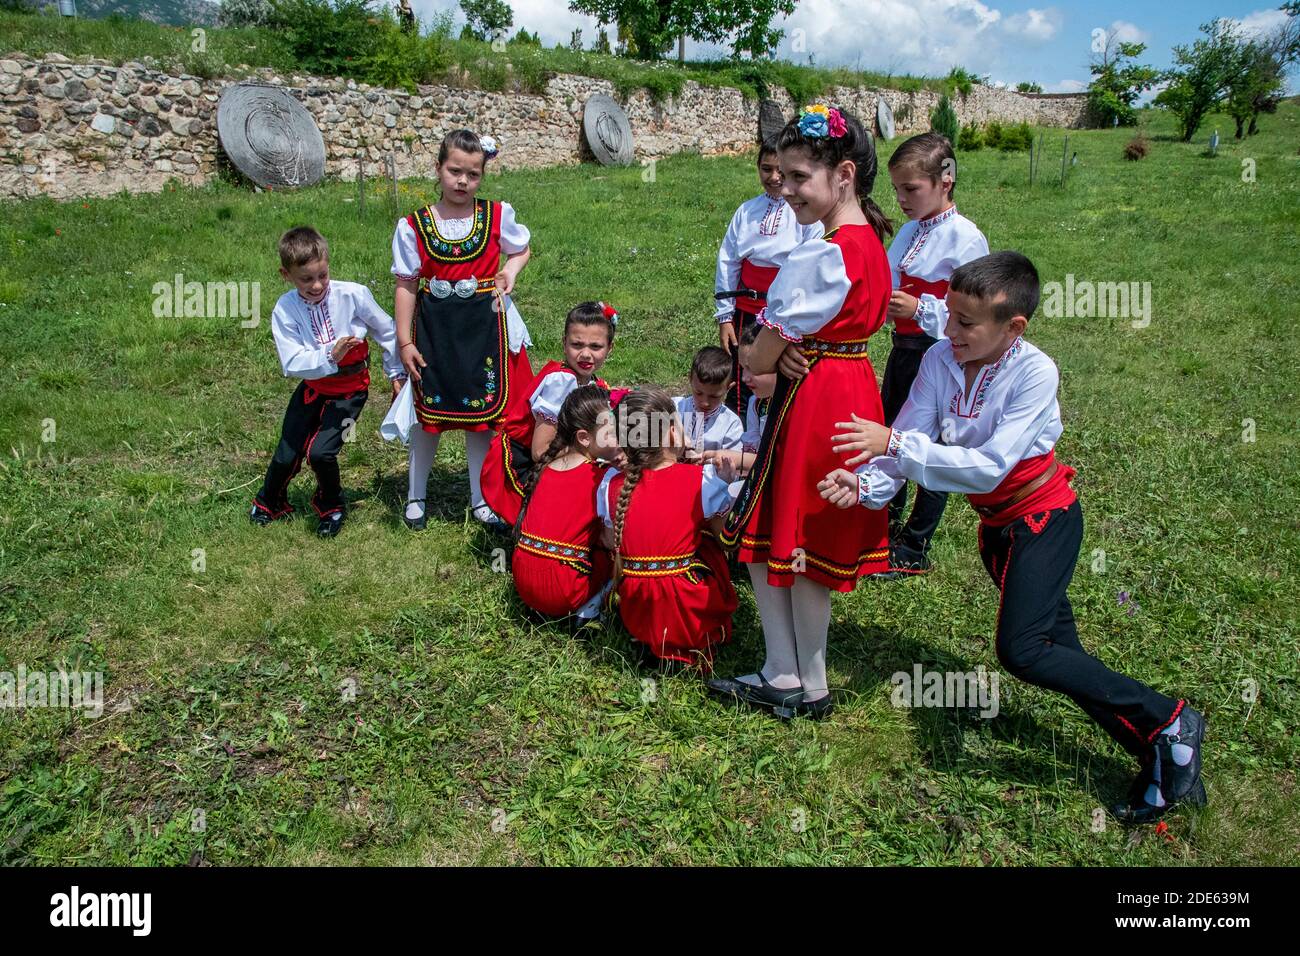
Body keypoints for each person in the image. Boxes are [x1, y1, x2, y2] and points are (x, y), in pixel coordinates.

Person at [819, 251, 1206, 823]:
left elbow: (990, 466)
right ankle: (1163, 751)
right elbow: (906, 435)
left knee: (1023, 651)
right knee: (1063, 655)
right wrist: (865, 484)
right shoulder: (940, 362)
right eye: (949, 315)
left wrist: (895, 448)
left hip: (1044, 521)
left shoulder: (1035, 371)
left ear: (1013, 326)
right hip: (1001, 529)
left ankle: (1172, 720)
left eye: (966, 323)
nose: (949, 330)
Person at [708, 104, 894, 720]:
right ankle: (802, 676)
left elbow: (760, 348)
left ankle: (785, 672)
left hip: (812, 396)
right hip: (848, 381)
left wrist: (774, 353)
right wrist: (794, 347)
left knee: (776, 531)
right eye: (781, 176)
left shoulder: (822, 253)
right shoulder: (865, 238)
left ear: (843, 174)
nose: (784, 190)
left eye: (796, 177)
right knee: (807, 534)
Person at [389, 129, 534, 531]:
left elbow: (521, 249)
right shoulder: (414, 225)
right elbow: (405, 284)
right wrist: (403, 342)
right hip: (434, 332)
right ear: (438, 169)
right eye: (454, 171)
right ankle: (416, 495)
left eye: (472, 175)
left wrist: (510, 270)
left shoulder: (496, 215)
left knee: (481, 416)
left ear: (481, 176)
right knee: (426, 413)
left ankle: (480, 499)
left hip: (483, 330)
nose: (462, 182)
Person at [251, 226, 405, 537]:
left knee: (321, 452)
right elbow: (292, 361)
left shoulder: (353, 294)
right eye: (306, 279)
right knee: (286, 451)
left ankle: (331, 505)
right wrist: (329, 355)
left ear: (328, 263)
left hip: (350, 391)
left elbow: (387, 331)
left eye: (322, 274)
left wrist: (395, 374)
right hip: (313, 387)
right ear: (287, 274)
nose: (317, 284)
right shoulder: (285, 309)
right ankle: (270, 501)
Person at [713, 140, 822, 418]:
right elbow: (728, 260)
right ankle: (737, 430)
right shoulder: (746, 211)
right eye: (766, 169)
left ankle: (774, 427)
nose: (773, 177)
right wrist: (725, 316)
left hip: (782, 314)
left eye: (780, 171)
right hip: (745, 311)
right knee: (742, 373)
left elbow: (809, 265)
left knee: (775, 372)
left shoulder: (804, 213)